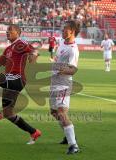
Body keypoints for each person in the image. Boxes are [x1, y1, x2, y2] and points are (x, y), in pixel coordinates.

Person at [50, 20, 80, 155]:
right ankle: (69, 135)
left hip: (63, 83)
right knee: (54, 112)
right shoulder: (62, 42)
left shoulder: (73, 50)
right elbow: (57, 59)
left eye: (65, 29)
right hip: (54, 81)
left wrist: (62, 71)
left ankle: (74, 145)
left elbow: (73, 70)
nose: (62, 31)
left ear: (72, 31)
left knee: (61, 112)